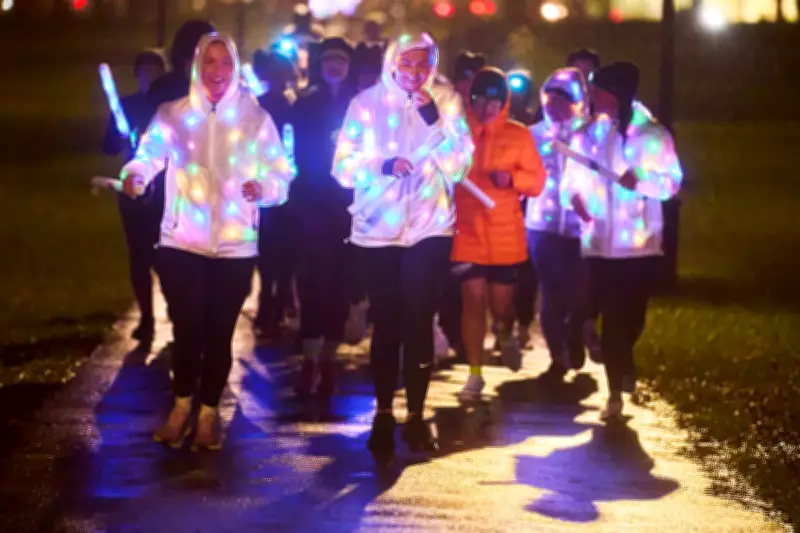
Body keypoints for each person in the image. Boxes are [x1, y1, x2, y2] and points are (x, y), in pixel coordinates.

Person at [121, 33, 294, 450]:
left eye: (225, 64)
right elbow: (148, 154)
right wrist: (137, 174)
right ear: (197, 67)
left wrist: (265, 188)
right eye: (210, 63)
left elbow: (281, 174)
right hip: (182, 241)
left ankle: (208, 412)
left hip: (234, 247)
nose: (218, 72)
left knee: (219, 332)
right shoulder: (173, 115)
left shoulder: (254, 119)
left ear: (235, 68)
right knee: (188, 328)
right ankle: (181, 405)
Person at [332, 31, 473, 465]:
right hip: (378, 230)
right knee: (387, 319)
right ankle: (382, 412)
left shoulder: (446, 103)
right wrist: (383, 166)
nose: (414, 73)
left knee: (419, 317)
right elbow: (341, 168)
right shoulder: (366, 105)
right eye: (407, 64)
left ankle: (415, 413)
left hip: (430, 228)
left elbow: (460, 165)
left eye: (423, 64)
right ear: (392, 62)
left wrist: (435, 122)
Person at [560, 61, 682, 421]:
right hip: (599, 244)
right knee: (613, 316)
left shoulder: (652, 136)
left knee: (632, 318)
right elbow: (572, 179)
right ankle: (614, 390)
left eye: (599, 90)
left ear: (618, 93)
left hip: (640, 245)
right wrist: (576, 199)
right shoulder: (587, 135)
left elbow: (671, 183)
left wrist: (641, 178)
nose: (593, 97)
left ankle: (621, 357)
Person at [454, 68, 545, 401]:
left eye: (495, 100)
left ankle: (505, 330)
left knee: (500, 304)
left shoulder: (518, 135)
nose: (487, 107)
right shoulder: (458, 131)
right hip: (466, 232)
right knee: (472, 301)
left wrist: (512, 180)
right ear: (471, 99)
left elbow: (536, 181)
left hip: (505, 234)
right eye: (480, 99)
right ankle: (474, 374)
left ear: (504, 101)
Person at [292, 37, 358, 398]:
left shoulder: (358, 106)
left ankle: (329, 359)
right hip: (314, 206)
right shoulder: (307, 104)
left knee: (340, 286)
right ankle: (309, 357)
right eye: (330, 59)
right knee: (313, 283)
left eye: (341, 60)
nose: (336, 66)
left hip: (348, 208)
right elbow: (297, 154)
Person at [526, 67, 592, 383]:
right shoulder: (534, 135)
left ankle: (576, 333)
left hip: (582, 229)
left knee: (579, 292)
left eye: (564, 101)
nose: (556, 107)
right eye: (550, 100)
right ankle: (557, 355)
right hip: (542, 227)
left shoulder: (591, 135)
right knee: (551, 293)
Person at [101, 50, 166, 351]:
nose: (149, 76)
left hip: (164, 192)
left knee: (166, 257)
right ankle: (147, 318)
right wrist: (119, 132)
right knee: (139, 256)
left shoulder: (168, 107)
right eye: (144, 71)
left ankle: (175, 315)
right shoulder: (125, 106)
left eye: (155, 71)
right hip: (132, 193)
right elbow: (108, 147)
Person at [251, 49, 298, 339]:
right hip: (269, 186)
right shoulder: (259, 108)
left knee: (280, 251)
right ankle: (271, 300)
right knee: (271, 250)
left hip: (286, 187)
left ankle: (275, 300)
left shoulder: (292, 107)